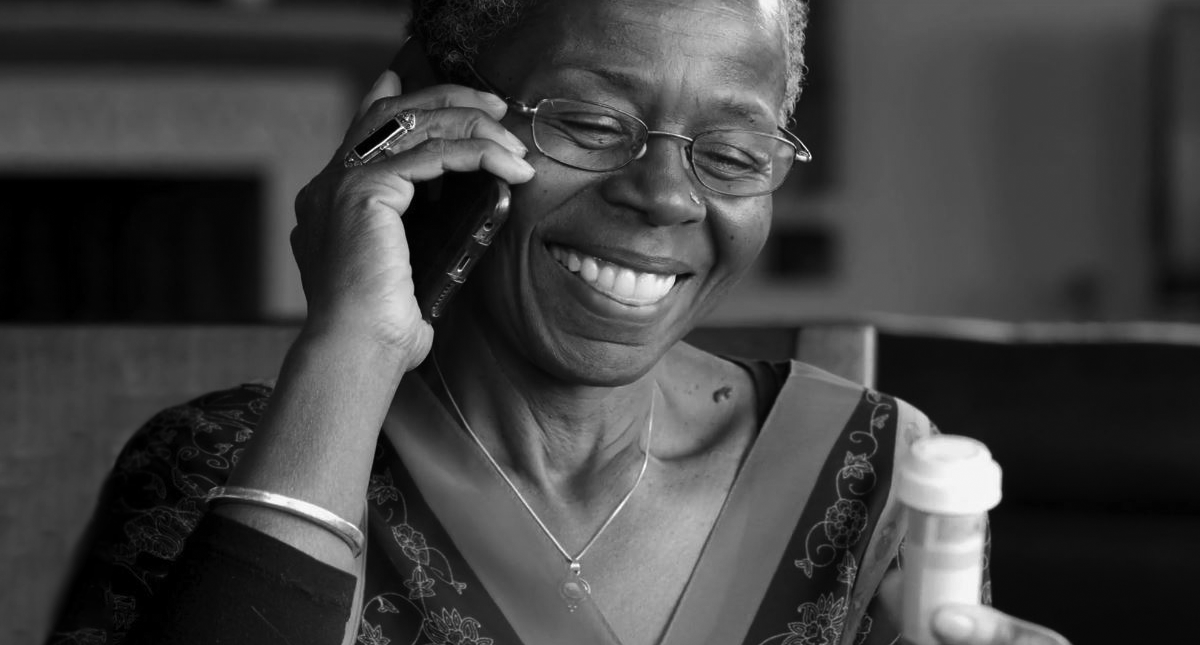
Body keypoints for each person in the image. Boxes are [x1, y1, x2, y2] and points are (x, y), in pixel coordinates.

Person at [47, 1, 1071, 644]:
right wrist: (351, 345)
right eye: (589, 122)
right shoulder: (222, 464)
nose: (668, 197)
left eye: (733, 150)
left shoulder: (877, 472)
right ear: (427, 127)